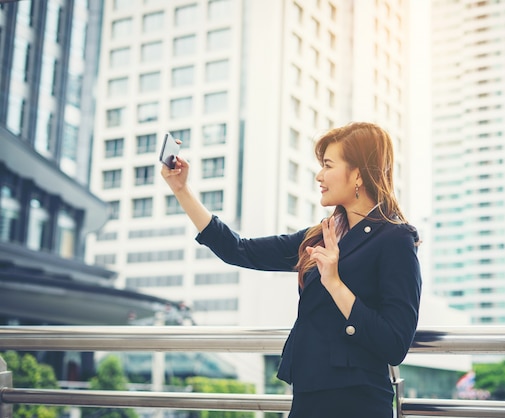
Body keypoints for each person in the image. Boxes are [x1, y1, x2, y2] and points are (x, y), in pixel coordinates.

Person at [161, 122, 422, 418]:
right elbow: (239, 249)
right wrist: (182, 190)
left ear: (358, 174)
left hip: (357, 402)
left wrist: (334, 282)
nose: (319, 175)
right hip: (308, 394)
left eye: (327, 165)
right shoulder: (321, 234)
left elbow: (394, 343)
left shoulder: (395, 239)